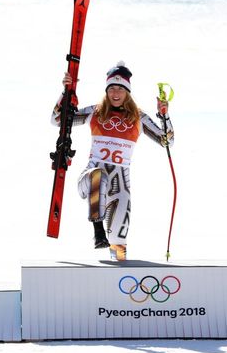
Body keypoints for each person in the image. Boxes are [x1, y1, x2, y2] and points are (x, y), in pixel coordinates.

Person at [52, 61, 174, 261]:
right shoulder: (95, 111)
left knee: (119, 245)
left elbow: (167, 141)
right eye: (112, 88)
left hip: (120, 185)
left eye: (120, 89)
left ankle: (118, 272)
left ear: (128, 92)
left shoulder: (138, 117)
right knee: (98, 176)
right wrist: (66, 92)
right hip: (90, 179)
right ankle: (98, 230)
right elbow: (57, 120)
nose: (115, 93)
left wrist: (164, 115)